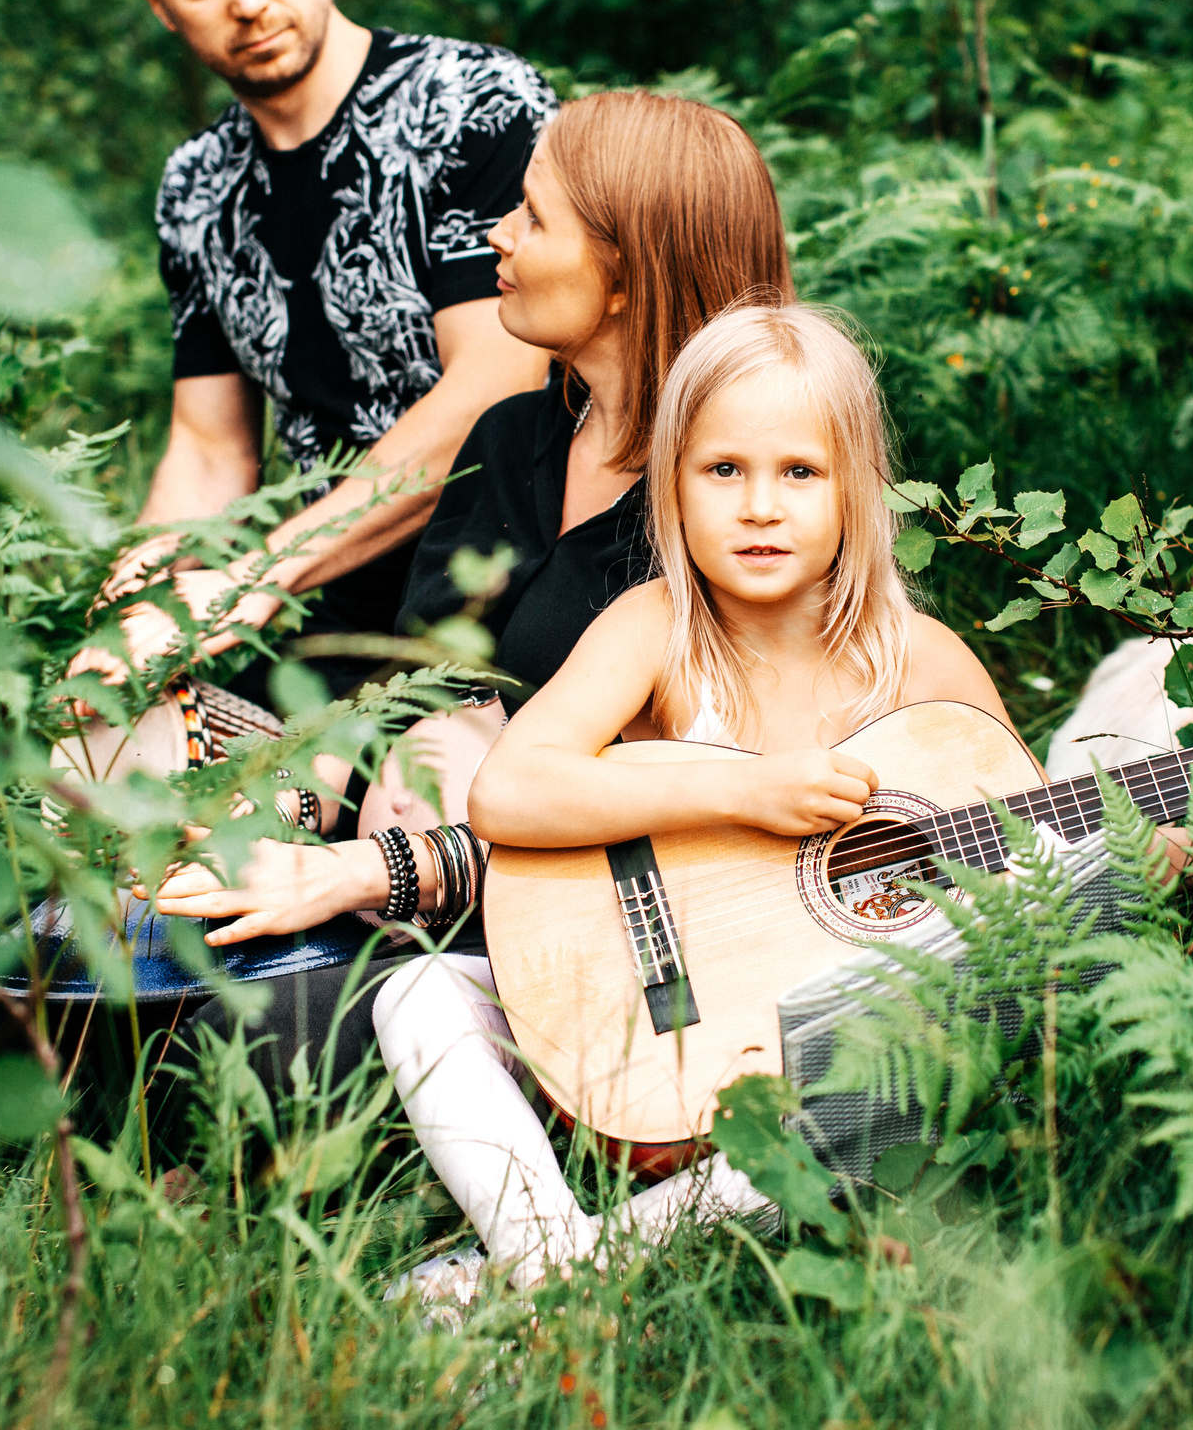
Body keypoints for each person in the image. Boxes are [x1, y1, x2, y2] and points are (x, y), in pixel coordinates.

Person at [136, 92, 796, 1098]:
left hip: (569, 938)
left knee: (230, 1044)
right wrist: (267, 805)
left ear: (625, 274)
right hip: (379, 878)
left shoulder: (736, 513)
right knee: (77, 925)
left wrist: (369, 870)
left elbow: (679, 827)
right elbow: (410, 706)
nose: (498, 234)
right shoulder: (510, 441)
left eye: (534, 217)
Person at [368, 304, 1016, 1299]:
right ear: (671, 484)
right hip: (631, 1020)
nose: (759, 507)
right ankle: (552, 1264)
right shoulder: (655, 627)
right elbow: (508, 790)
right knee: (417, 995)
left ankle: (552, 1281)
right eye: (723, 470)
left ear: (856, 485)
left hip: (797, 1083)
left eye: (799, 472)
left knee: (870, 1097)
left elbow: (1041, 860)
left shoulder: (921, 665)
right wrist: (743, 788)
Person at [68, 0, 557, 728]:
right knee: (109, 754)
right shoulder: (195, 186)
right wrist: (131, 604)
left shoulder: (475, 104)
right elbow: (210, 450)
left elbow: (494, 390)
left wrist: (254, 577)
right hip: (319, 606)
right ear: (157, 3)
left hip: (513, 576)